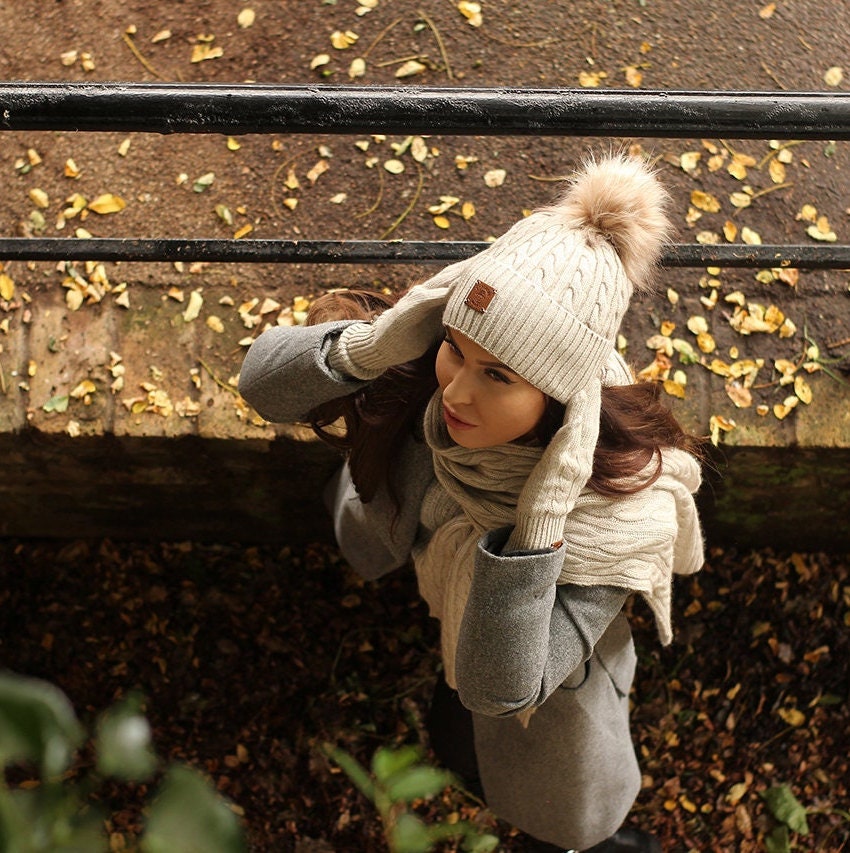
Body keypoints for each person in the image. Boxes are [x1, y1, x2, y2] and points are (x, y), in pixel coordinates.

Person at [238, 152, 706, 853]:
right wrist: (372, 346)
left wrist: (540, 520)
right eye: (454, 349)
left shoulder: (612, 519)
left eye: (497, 375)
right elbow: (259, 386)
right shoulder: (440, 380)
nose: (455, 392)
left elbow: (501, 687)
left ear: (560, 401)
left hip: (545, 719)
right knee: (458, 738)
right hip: (449, 626)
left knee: (547, 812)